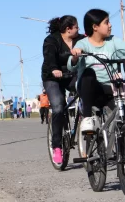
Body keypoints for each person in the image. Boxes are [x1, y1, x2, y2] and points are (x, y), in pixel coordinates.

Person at [68, 8, 125, 135]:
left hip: (111, 88)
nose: (110, 25)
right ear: (95, 27)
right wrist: (75, 56)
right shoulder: (83, 43)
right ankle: (87, 119)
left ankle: (124, 148)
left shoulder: (113, 41)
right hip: (91, 89)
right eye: (106, 22)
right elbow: (71, 66)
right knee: (88, 73)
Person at [41, 15, 86, 165]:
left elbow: (93, 41)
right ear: (68, 29)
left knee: (87, 91)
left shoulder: (80, 39)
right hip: (52, 77)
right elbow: (49, 58)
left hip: (71, 75)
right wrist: (54, 69)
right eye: (77, 27)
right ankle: (57, 147)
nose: (79, 30)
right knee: (59, 107)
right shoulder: (51, 40)